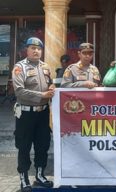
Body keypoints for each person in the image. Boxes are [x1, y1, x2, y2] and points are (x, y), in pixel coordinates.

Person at [12, 37, 55, 191]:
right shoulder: (19, 67)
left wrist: (52, 87)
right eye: (32, 48)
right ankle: (24, 179)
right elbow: (19, 91)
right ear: (27, 50)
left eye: (39, 48)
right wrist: (42, 95)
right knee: (24, 147)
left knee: (42, 145)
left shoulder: (45, 66)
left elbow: (49, 83)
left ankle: (40, 175)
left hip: (43, 113)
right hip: (25, 114)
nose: (36, 51)